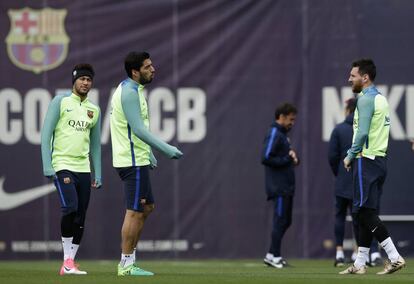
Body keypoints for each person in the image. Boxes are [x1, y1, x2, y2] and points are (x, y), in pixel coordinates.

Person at [110, 51, 183, 276]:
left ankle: (128, 260)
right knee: (133, 211)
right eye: (148, 66)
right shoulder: (130, 93)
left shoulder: (132, 89)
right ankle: (126, 265)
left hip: (137, 158)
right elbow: (139, 130)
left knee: (147, 207)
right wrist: (166, 148)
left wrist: (149, 151)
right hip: (132, 161)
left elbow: (134, 129)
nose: (153, 69)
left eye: (152, 65)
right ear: (135, 71)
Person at [340, 58, 405, 275]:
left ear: (365, 77)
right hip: (379, 161)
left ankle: (394, 257)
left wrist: (350, 155)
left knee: (365, 212)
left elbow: (363, 133)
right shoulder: (381, 99)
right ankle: (360, 264)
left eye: (353, 75)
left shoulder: (365, 100)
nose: (349, 79)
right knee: (362, 211)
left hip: (365, 159)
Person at [41, 64, 102, 275]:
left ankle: (69, 262)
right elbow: (45, 135)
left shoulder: (94, 110)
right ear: (74, 80)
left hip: (83, 169)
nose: (85, 83)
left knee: (81, 215)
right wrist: (47, 165)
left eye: (89, 79)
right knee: (71, 208)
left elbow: (95, 145)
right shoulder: (60, 102)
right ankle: (67, 262)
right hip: (62, 165)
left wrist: (98, 173)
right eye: (82, 79)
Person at [328, 99, 383, 267]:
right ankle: (362, 253)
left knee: (340, 217)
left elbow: (332, 157)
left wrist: (339, 174)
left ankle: (339, 253)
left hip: (343, 182)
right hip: (360, 180)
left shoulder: (338, 130)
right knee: (361, 218)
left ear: (347, 110)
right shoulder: (365, 129)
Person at [262, 103, 299, 268]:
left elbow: (285, 158)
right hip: (279, 187)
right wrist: (287, 160)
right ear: (282, 117)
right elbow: (265, 157)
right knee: (280, 220)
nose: (293, 123)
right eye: (291, 119)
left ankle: (271, 254)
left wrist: (293, 159)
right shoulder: (275, 132)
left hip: (286, 186)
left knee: (286, 221)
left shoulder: (283, 135)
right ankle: (275, 256)